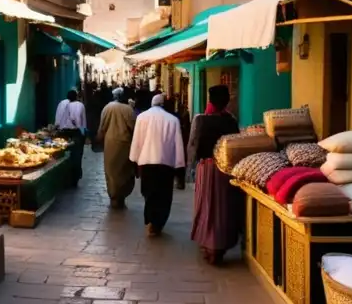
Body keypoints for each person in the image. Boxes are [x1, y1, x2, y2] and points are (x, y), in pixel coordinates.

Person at [189, 85, 242, 264]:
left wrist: (189, 169)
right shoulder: (231, 121)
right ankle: (219, 246)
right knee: (223, 208)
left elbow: (194, 146)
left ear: (210, 100)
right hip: (226, 171)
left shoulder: (201, 120)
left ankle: (207, 243)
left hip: (207, 167)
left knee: (206, 206)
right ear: (226, 101)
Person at [130, 93, 186, 236]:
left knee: (149, 193)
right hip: (166, 164)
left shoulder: (142, 118)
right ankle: (158, 223)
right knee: (164, 194)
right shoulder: (173, 120)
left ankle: (150, 220)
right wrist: (180, 166)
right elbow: (178, 144)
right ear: (163, 104)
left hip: (147, 162)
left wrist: (134, 160)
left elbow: (137, 141)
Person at [96, 87, 136, 209]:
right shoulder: (128, 109)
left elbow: (102, 127)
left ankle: (113, 196)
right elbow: (134, 127)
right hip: (125, 144)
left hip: (110, 144)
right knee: (124, 171)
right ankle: (121, 195)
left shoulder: (107, 108)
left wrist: (98, 139)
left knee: (111, 171)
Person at [55, 89, 87, 186]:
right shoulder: (80, 105)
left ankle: (65, 177)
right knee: (77, 155)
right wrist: (84, 133)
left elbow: (59, 120)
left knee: (65, 156)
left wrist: (57, 128)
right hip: (76, 132)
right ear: (77, 96)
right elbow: (82, 121)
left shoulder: (64, 104)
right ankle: (75, 177)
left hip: (64, 132)